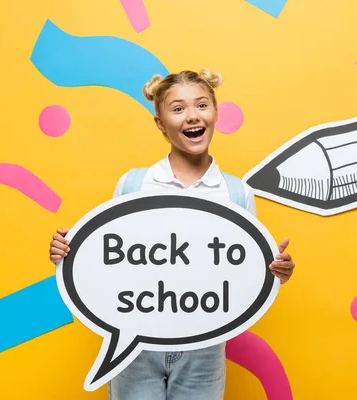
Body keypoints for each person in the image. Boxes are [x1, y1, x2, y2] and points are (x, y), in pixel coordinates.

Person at [49, 68, 296, 399]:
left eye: (202, 105)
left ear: (215, 112)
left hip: (205, 349)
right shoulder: (133, 185)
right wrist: (70, 255)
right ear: (161, 123)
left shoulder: (235, 193)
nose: (192, 116)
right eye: (178, 108)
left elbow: (244, 274)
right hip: (136, 345)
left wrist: (275, 272)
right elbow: (111, 261)